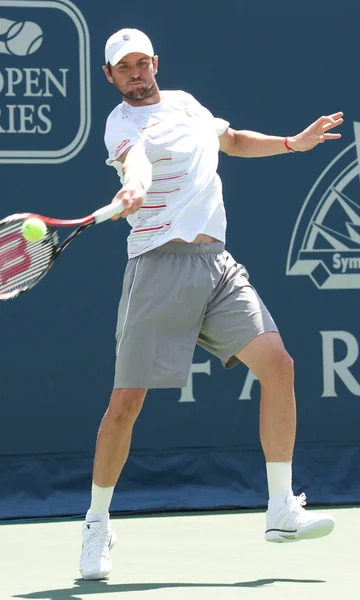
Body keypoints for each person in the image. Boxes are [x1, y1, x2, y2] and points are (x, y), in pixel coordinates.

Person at [79, 28, 343, 580]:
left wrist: (294, 142)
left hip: (217, 264)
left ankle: (279, 510)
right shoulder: (120, 124)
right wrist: (132, 189)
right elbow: (138, 167)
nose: (133, 73)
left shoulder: (186, 104)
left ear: (154, 63)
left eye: (140, 63)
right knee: (125, 406)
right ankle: (97, 523)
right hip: (157, 268)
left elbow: (235, 141)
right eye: (122, 68)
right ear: (109, 76)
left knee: (279, 365)